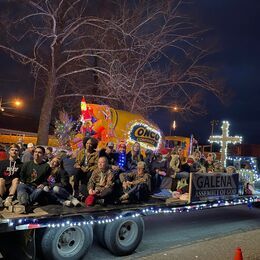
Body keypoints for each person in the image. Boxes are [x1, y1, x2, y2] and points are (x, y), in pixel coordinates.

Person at [17, 146, 51, 211]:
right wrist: (22, 182)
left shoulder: (46, 166)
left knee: (40, 190)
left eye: (39, 152)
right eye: (35, 152)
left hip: (37, 188)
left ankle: (25, 204)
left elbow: (48, 180)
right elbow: (22, 175)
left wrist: (43, 184)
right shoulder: (27, 164)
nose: (36, 154)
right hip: (27, 185)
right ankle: (26, 204)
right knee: (20, 186)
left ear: (43, 155)